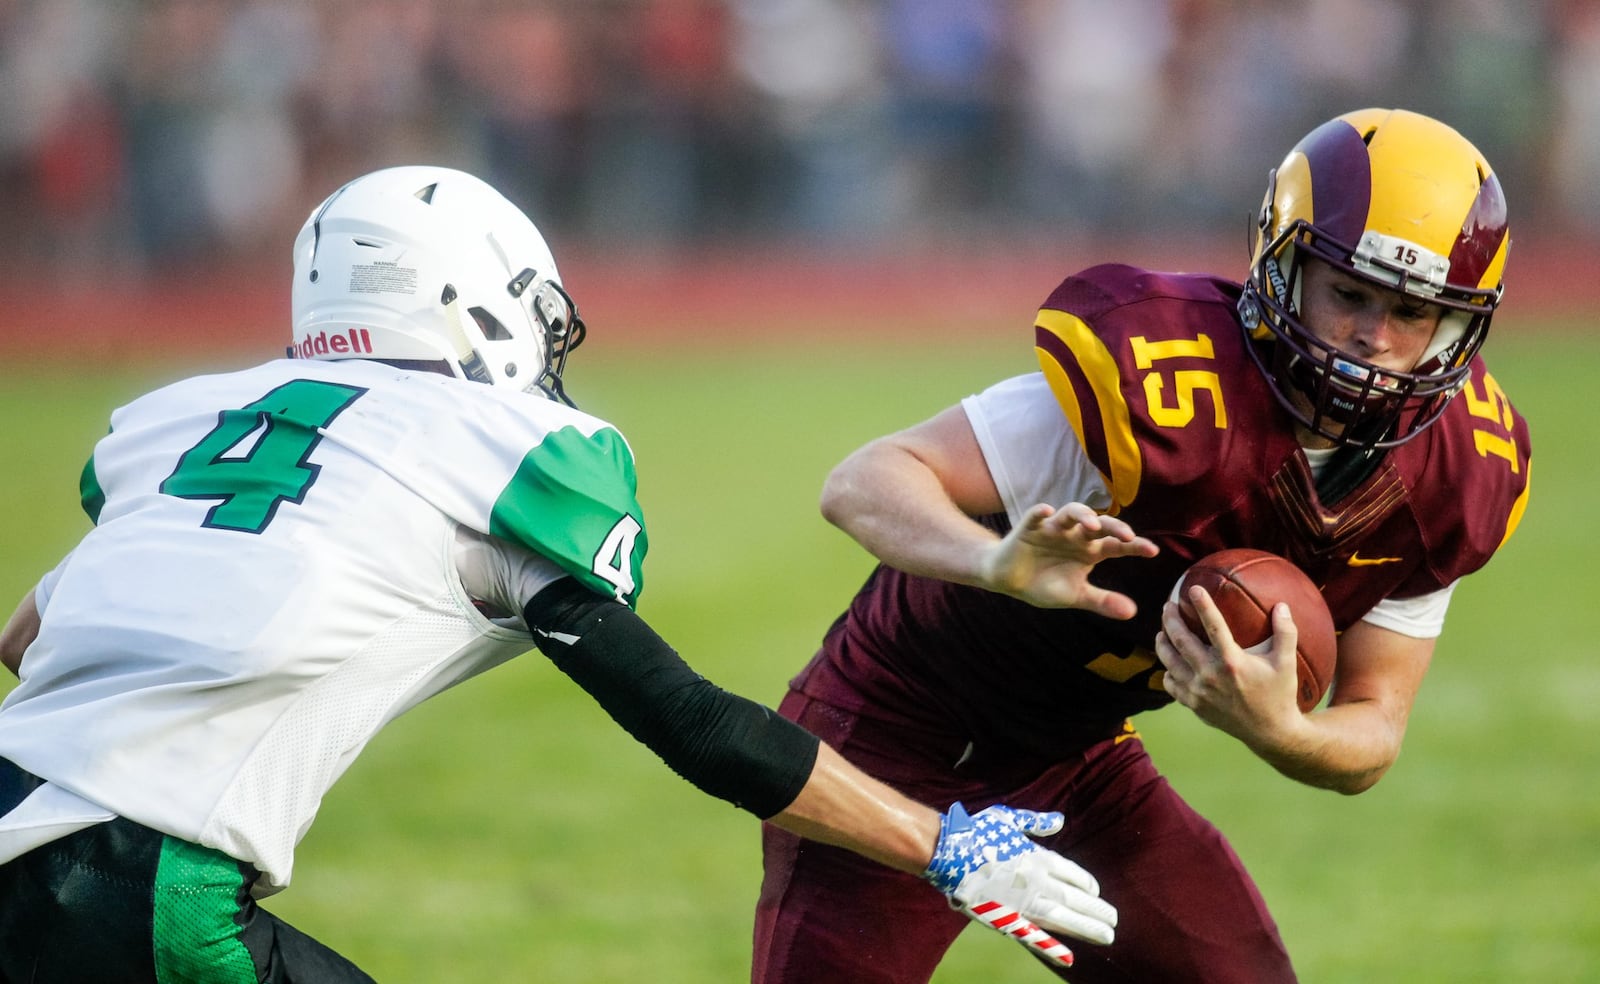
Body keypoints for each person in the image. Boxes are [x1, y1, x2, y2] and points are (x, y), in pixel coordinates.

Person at [0, 166, 1118, 981]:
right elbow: (692, 720)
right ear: (473, 304)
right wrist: (941, 843)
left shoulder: (192, 418)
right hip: (136, 887)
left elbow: (27, 637)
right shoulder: (486, 455)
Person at [751, 107, 1532, 983]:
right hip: (889, 742)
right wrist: (993, 561)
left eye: (1413, 311)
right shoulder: (1166, 376)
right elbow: (863, 481)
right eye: (1348, 292)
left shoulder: (1452, 475)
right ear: (1283, 265)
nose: (1373, 337)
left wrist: (1281, 732)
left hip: (1075, 761)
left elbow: (1374, 730)